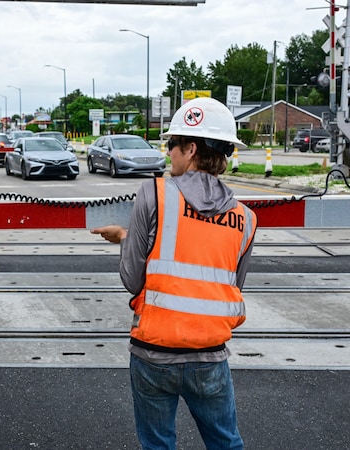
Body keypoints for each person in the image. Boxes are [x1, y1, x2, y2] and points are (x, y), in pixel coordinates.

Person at [91, 97, 258, 450]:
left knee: (158, 446)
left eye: (172, 145)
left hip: (154, 353)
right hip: (210, 355)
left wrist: (127, 241)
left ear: (191, 148)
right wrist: (129, 236)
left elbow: (133, 279)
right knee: (226, 443)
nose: (169, 154)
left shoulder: (154, 193)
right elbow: (227, 286)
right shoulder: (245, 217)